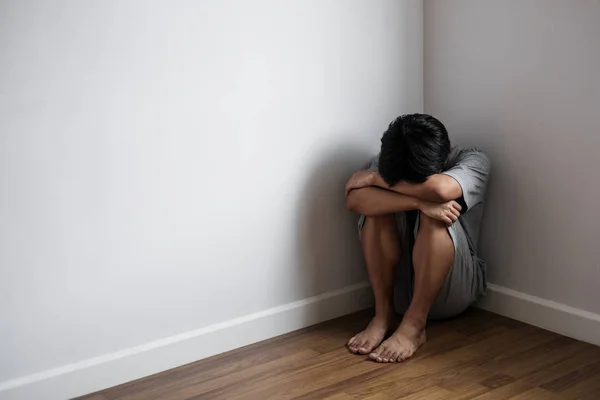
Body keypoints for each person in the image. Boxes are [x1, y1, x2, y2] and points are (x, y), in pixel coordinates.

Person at [345, 113, 490, 363]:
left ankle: (414, 326)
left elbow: (440, 189)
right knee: (376, 209)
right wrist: (417, 201)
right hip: (399, 291)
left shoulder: (473, 160)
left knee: (438, 212)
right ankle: (383, 316)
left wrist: (375, 179)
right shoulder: (390, 159)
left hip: (452, 290)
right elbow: (355, 200)